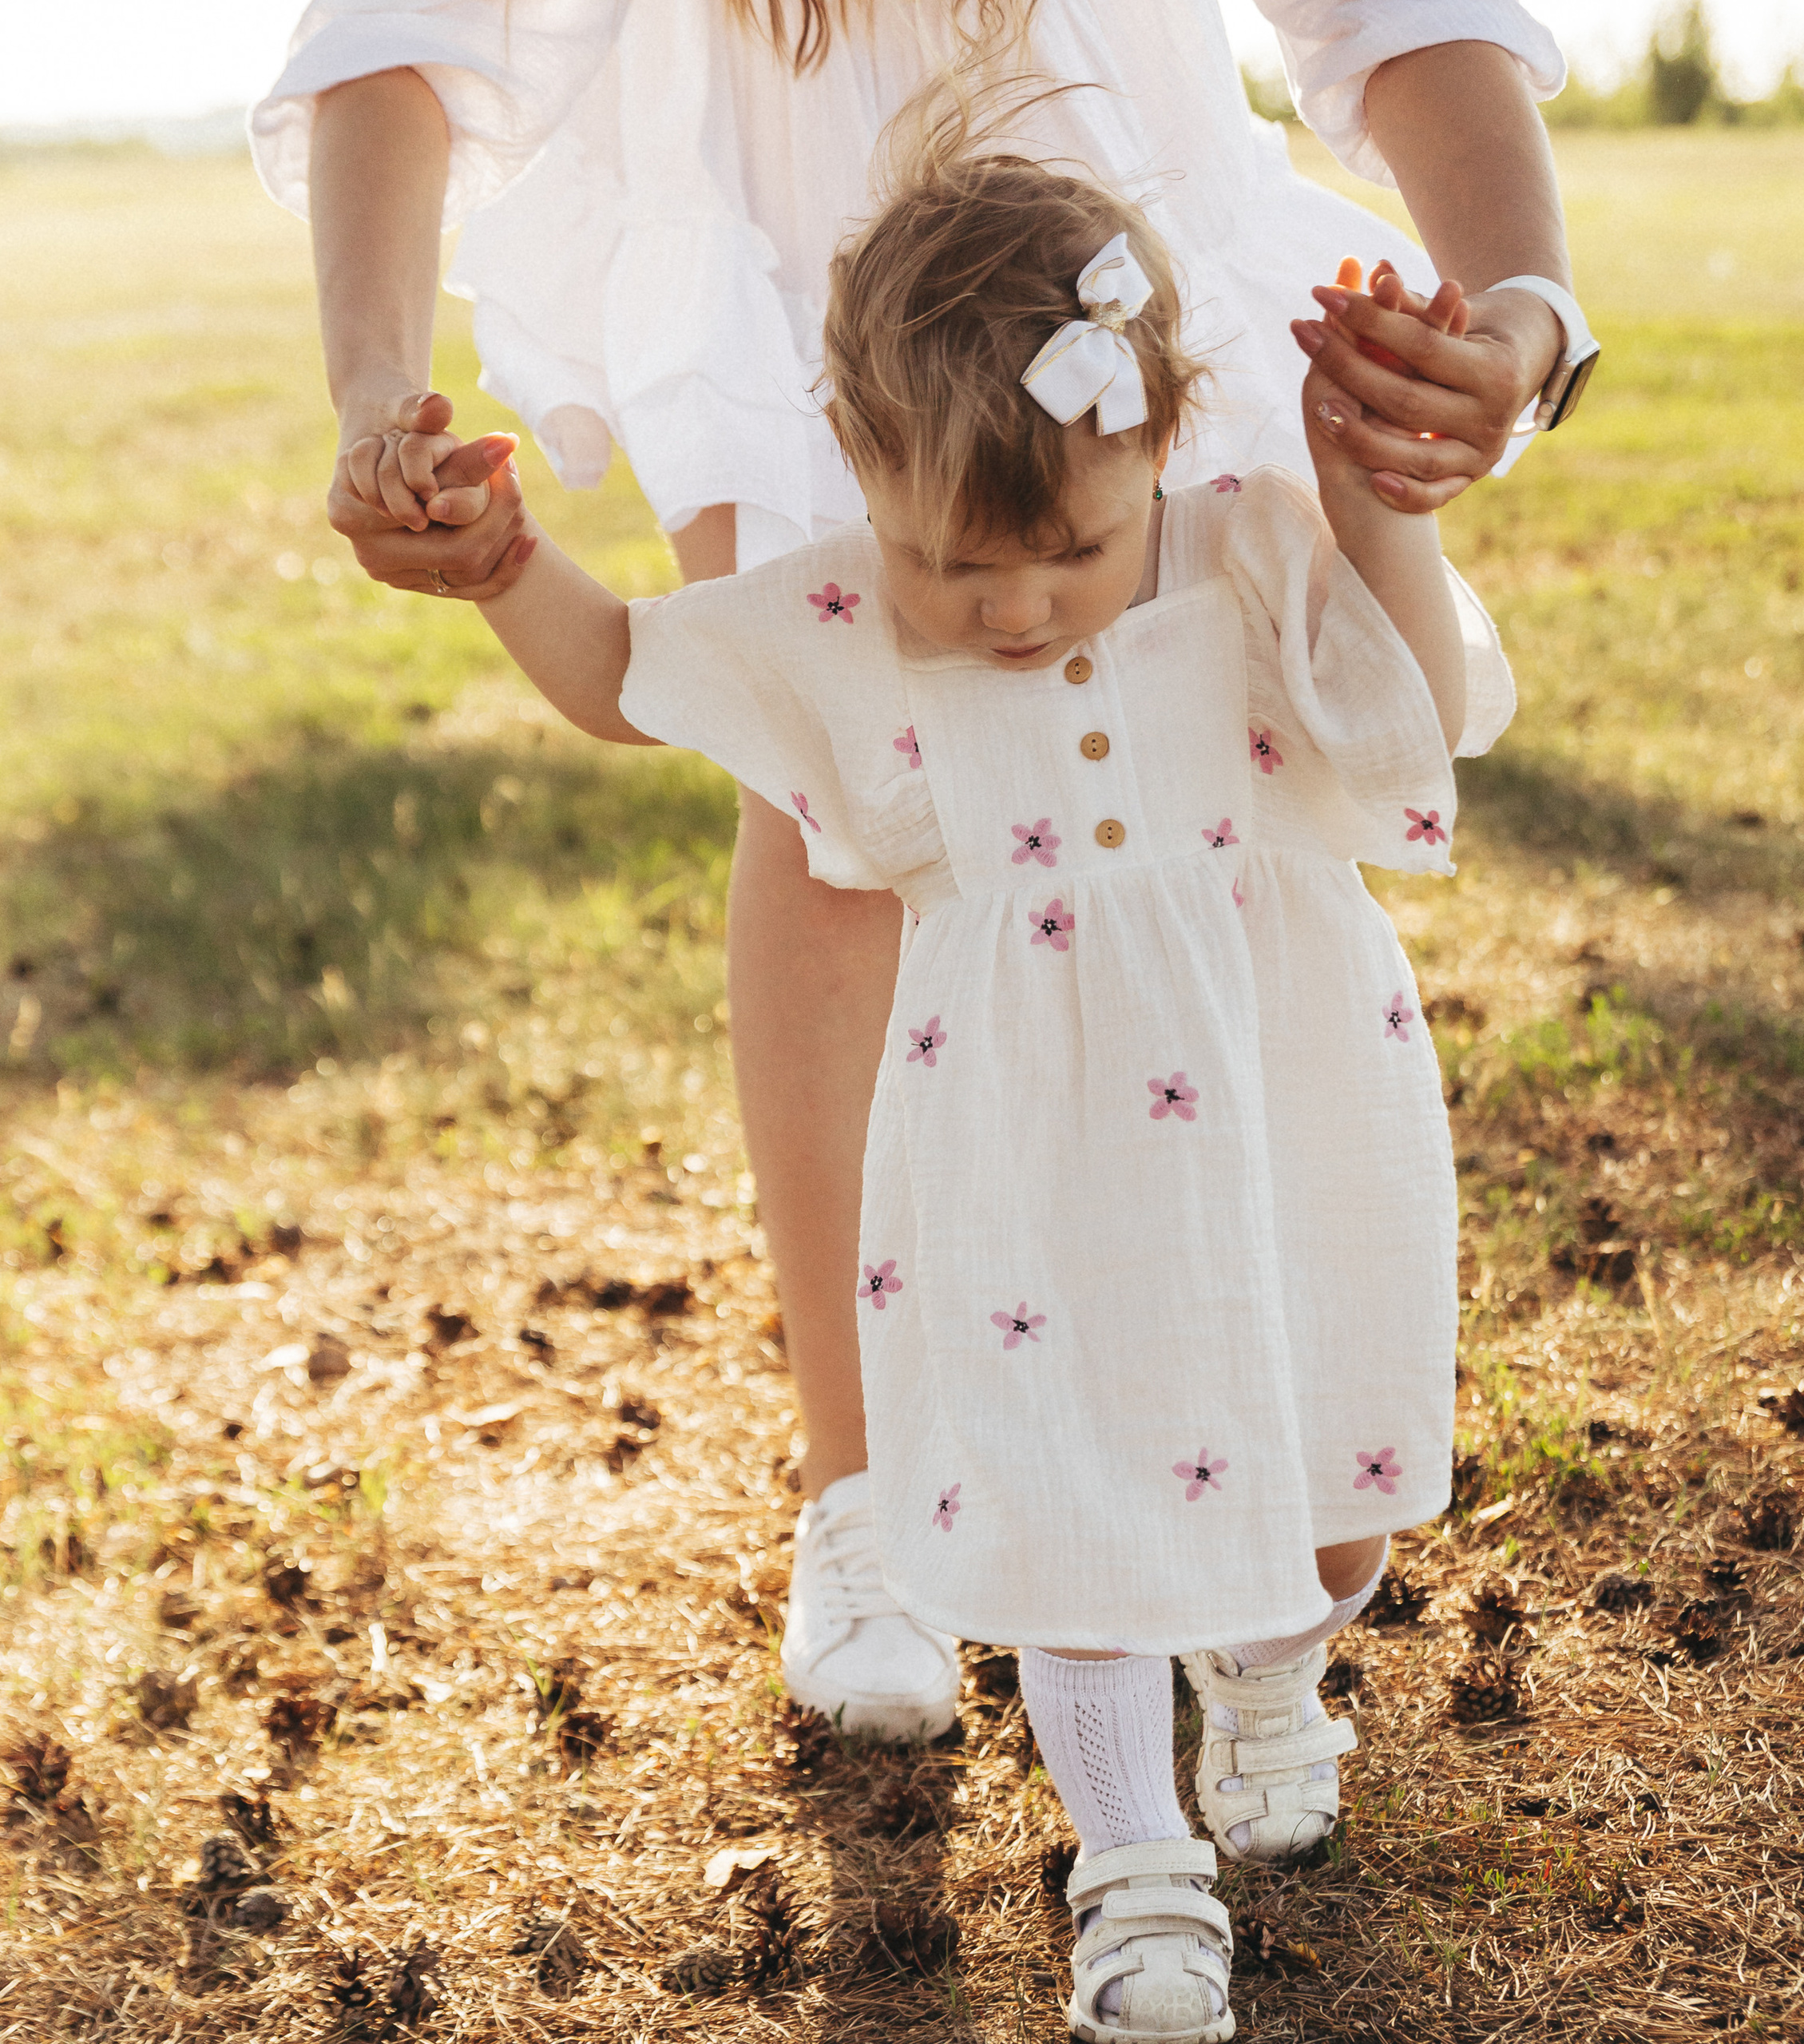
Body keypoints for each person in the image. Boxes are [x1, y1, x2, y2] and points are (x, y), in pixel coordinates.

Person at [252, 0, 1578, 1742]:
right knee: (836, 812)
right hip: (798, 250)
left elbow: (1393, 19)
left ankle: (1221, 1417)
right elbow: (412, 37)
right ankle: (872, 1489)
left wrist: (1520, 309)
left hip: (1115, 226)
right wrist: (380, 400)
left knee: (1211, 818)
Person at [460, 89, 1513, 2035]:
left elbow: (1412, 728)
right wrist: (505, 557)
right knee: (1067, 1504)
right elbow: (629, 674)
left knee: (1328, 1487)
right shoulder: (854, 616)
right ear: (858, 472)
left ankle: (1274, 1674)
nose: (1014, 608)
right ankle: (1131, 1869)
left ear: (1160, 450)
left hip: (1279, 1100)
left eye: (1069, 550)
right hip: (1021, 1139)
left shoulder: (1249, 556)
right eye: (958, 566)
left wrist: (1385, 501)